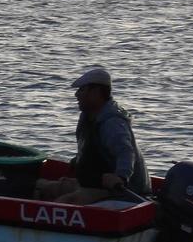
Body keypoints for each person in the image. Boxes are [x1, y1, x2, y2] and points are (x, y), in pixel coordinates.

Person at [35, 66, 150, 205]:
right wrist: (78, 161)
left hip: (122, 193)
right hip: (94, 184)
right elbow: (93, 152)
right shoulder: (88, 117)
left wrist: (121, 177)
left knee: (65, 202)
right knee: (41, 186)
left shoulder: (112, 123)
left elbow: (125, 152)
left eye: (81, 90)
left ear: (96, 92)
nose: (76, 94)